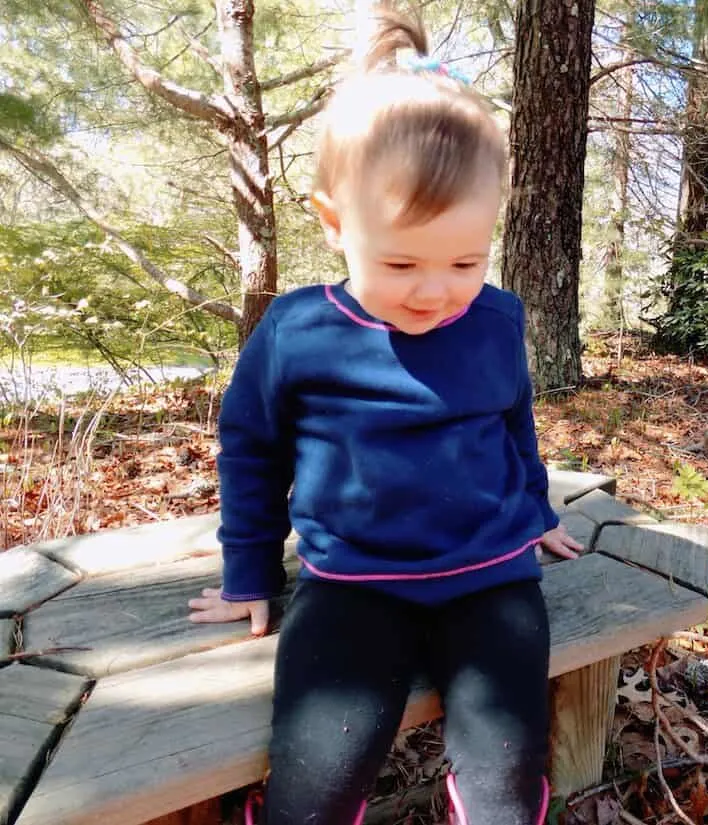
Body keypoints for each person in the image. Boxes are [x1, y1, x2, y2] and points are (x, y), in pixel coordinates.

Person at [187, 5, 582, 823]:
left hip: (492, 578)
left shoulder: (498, 320)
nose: (434, 291)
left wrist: (535, 508)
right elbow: (250, 449)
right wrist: (249, 569)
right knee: (314, 786)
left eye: (465, 260)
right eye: (401, 261)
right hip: (353, 583)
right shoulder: (298, 331)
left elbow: (514, 422)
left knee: (508, 784)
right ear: (334, 223)